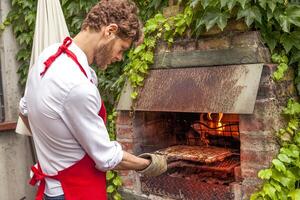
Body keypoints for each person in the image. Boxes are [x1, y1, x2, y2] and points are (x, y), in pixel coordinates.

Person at [18, 1, 167, 199]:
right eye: (122, 48)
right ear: (110, 31)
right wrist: (151, 164)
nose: (119, 57)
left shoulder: (48, 56)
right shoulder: (76, 86)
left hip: (51, 191)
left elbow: (25, 110)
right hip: (74, 193)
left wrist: (53, 146)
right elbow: (106, 158)